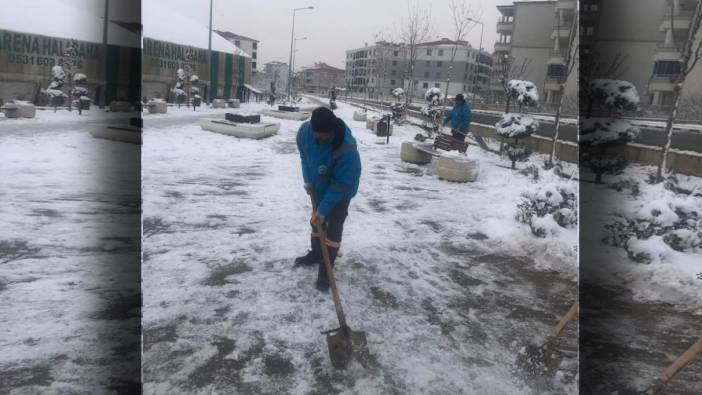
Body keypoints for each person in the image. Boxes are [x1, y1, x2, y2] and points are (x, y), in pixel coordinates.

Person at [295, 107, 362, 292]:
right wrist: (308, 181)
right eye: (318, 135)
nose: (321, 139)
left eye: (326, 136)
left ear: (332, 130)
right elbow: (304, 157)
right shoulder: (304, 132)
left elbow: (341, 185)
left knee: (332, 229)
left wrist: (324, 210)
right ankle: (317, 254)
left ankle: (326, 270)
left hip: (341, 190)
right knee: (316, 222)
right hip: (317, 185)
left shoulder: (346, 149)